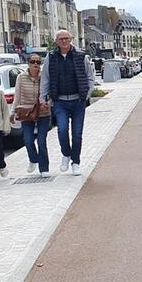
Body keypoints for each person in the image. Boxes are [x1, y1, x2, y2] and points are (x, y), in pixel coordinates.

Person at [40, 29, 95, 176]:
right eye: (61, 39)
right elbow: (45, 79)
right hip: (60, 101)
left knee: (77, 134)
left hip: (78, 100)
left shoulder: (80, 56)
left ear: (71, 39)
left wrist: (87, 94)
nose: (64, 41)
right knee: (62, 129)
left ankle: (75, 162)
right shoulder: (50, 58)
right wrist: (43, 97)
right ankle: (66, 153)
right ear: (56, 41)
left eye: (66, 38)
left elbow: (90, 76)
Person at [13, 55, 52, 176]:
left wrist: (48, 103)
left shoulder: (45, 77)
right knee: (28, 140)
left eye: (38, 62)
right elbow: (17, 95)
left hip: (43, 112)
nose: (35, 64)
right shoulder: (21, 77)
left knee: (41, 141)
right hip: (26, 112)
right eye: (32, 62)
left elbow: (51, 92)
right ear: (28, 63)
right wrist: (14, 111)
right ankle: (33, 159)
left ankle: (44, 168)